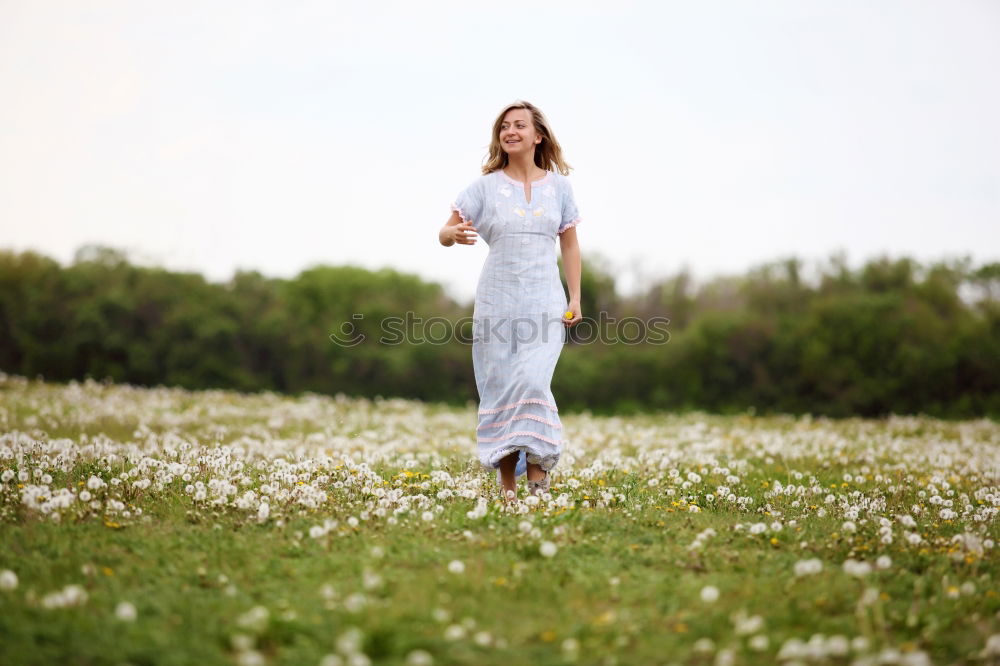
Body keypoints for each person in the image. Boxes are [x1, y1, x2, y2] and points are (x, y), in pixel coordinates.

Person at [438, 100, 583, 505]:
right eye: (504, 126)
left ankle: (537, 482)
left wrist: (575, 297)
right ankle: (508, 491)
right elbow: (445, 230)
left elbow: (569, 244)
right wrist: (451, 236)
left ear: (539, 135)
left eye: (519, 125)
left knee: (534, 381)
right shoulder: (484, 187)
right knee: (501, 386)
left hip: (545, 301)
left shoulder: (559, 188)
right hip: (497, 301)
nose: (510, 131)